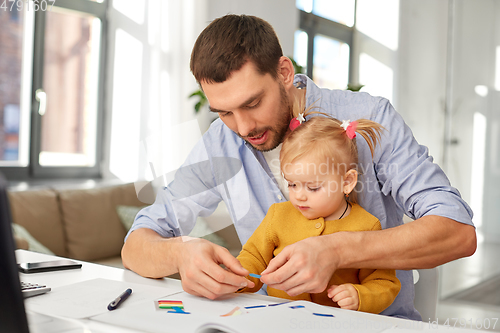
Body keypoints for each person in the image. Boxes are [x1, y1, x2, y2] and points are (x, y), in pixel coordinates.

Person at [121, 14, 476, 320]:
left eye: (254, 102)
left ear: (284, 72)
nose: (243, 128)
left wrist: (338, 249)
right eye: (225, 113)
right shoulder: (220, 143)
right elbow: (136, 244)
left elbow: (457, 233)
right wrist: (180, 254)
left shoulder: (372, 118)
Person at [237, 112, 401, 314]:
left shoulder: (367, 225)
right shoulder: (278, 215)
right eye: (292, 184)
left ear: (347, 182)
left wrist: (359, 295)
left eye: (313, 188)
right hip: (281, 321)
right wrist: (236, 277)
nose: (299, 196)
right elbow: (253, 257)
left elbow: (383, 282)